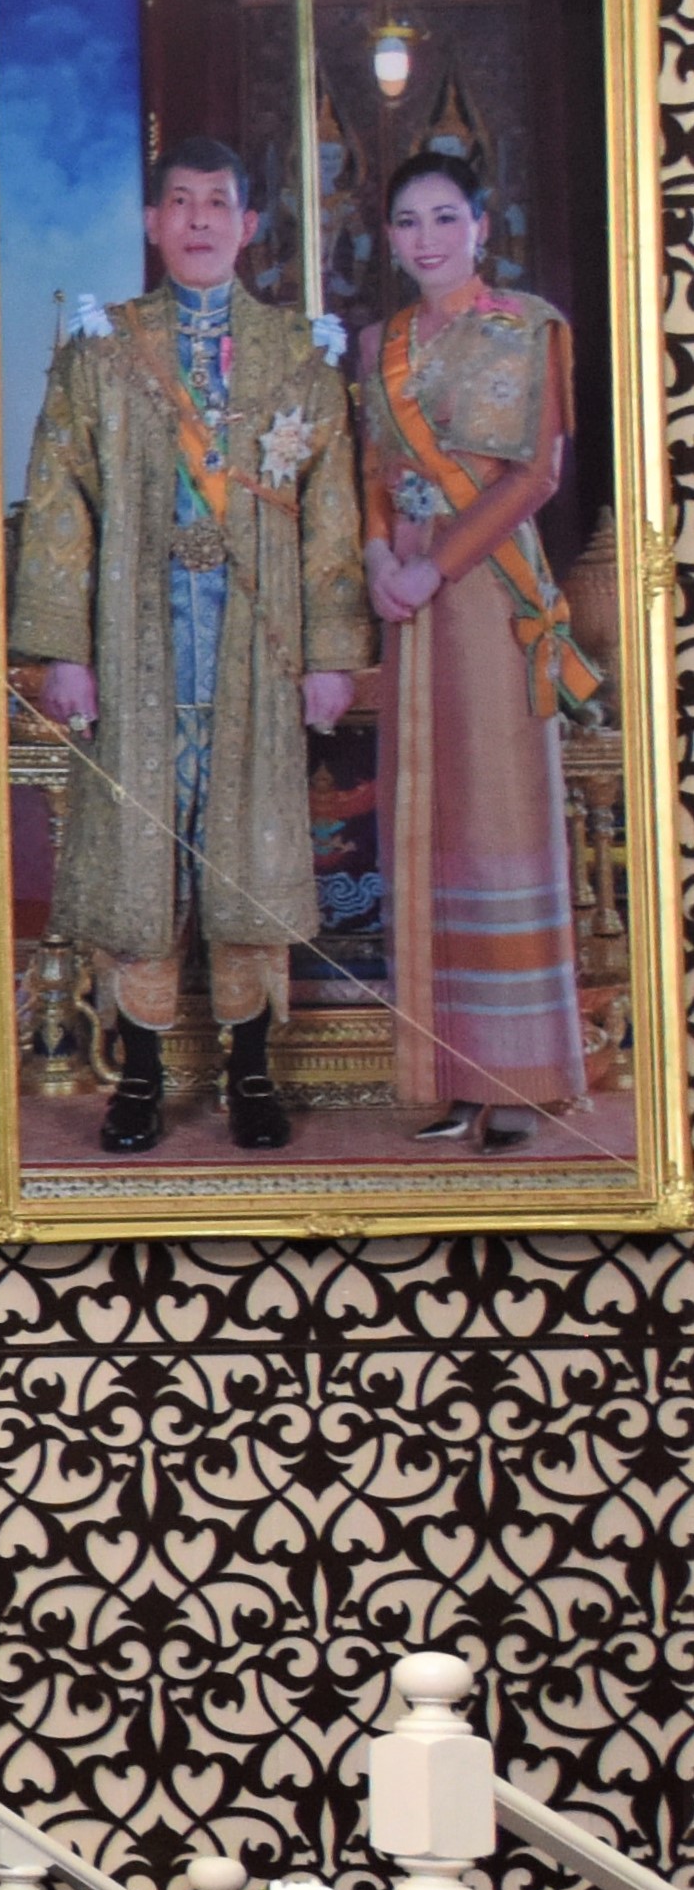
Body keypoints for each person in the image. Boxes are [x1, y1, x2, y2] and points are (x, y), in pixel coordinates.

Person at [13, 129, 364, 1155]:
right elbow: (61, 502)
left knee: (250, 851)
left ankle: (253, 1072)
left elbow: (333, 514)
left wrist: (332, 656)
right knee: (140, 860)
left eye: (218, 201)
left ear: (248, 224)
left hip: (258, 649)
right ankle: (140, 1076)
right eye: (181, 200)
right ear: (152, 221)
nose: (200, 219)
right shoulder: (102, 352)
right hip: (138, 648)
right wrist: (64, 649)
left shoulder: (299, 356)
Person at [359, 147, 586, 1149]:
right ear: (389, 236)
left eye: (446, 217)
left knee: (496, 812)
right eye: (408, 221)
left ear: (482, 227)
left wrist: (434, 566)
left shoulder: (530, 327)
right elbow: (371, 470)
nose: (428, 239)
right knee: (428, 821)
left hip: (487, 595)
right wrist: (379, 556)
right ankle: (450, 1076)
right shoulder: (380, 344)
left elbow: (536, 475)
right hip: (408, 605)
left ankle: (521, 1080)